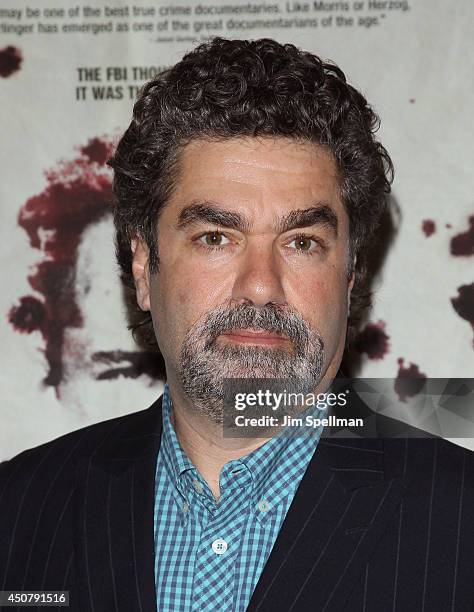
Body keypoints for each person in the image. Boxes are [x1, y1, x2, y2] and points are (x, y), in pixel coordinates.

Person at [0, 37, 472, 612]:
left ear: (350, 276)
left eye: (302, 242)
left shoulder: (461, 519)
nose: (260, 285)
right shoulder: (18, 511)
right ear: (145, 267)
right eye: (216, 237)